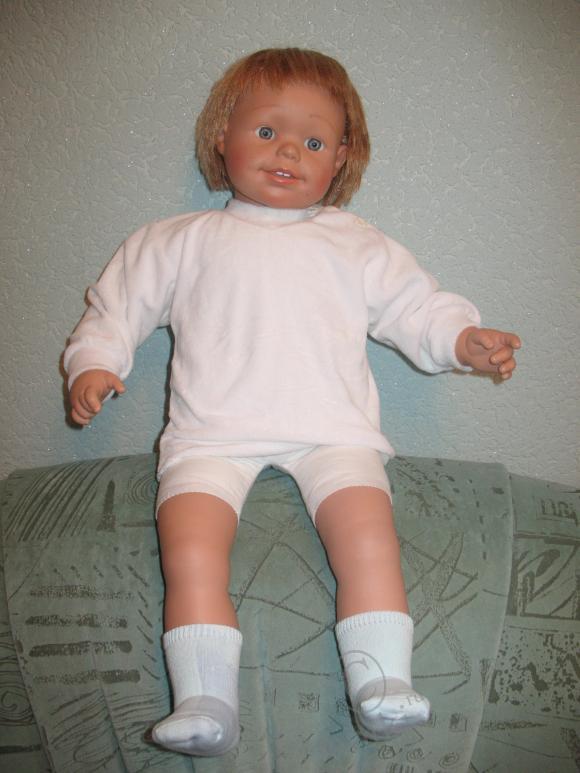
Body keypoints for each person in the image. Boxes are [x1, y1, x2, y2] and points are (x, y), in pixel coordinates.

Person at [64, 48, 520, 757]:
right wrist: (94, 364)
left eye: (313, 142)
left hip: (333, 434)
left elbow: (416, 307)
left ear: (340, 159)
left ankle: (382, 683)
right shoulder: (177, 241)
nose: (287, 151)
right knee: (190, 553)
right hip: (209, 437)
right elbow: (116, 308)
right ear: (223, 135)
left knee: (369, 541)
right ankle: (206, 701)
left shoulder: (354, 243)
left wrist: (463, 339)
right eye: (266, 130)